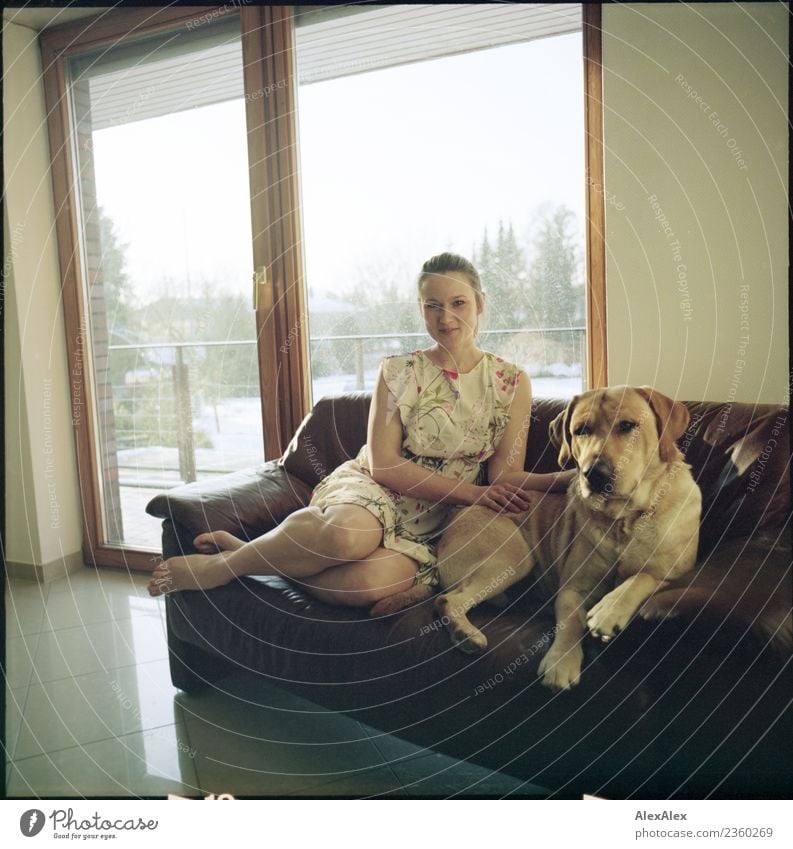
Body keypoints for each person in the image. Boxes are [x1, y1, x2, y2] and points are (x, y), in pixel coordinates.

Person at [147, 252, 573, 607]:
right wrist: (474, 493)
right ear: (421, 309)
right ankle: (224, 569)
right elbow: (385, 466)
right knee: (348, 537)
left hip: (441, 519)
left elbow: (504, 477)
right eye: (433, 305)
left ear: (480, 303)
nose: (446, 317)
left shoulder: (512, 382)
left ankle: (254, 554)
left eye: (458, 303)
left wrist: (573, 477)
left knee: (369, 586)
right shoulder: (398, 371)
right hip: (377, 490)